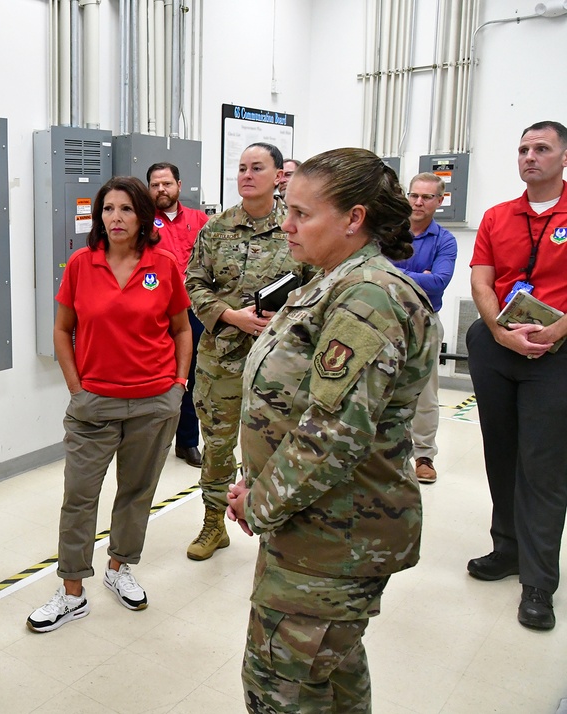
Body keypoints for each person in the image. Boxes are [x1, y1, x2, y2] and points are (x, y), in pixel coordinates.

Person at [227, 147, 436, 712]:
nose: (286, 225)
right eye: (284, 210)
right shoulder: (333, 282)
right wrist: (260, 487)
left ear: (354, 218)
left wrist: (260, 503)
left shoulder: (367, 297)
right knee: (333, 677)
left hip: (336, 538)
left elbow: (331, 437)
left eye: (301, 213)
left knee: (282, 689)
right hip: (314, 526)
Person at [26, 176, 191, 633]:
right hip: (94, 404)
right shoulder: (82, 263)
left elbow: (181, 329)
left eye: (126, 210)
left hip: (154, 402)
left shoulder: (164, 264)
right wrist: (76, 388)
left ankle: (119, 567)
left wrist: (178, 384)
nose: (115, 218)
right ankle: (72, 590)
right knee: (79, 497)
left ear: (143, 217)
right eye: (107, 209)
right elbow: (62, 329)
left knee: (136, 492)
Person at [184, 143, 315, 561]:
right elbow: (193, 282)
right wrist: (230, 315)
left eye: (257, 168)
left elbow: (317, 289)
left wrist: (283, 320)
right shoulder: (215, 228)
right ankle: (212, 524)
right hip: (221, 358)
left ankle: (275, 527)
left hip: (280, 362)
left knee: (275, 444)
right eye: (241, 168)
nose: (246, 175)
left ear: (279, 175)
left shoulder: (298, 229)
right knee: (218, 445)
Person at [466, 120, 567, 632]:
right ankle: (505, 549)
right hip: (498, 347)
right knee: (500, 451)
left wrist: (561, 328)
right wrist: (500, 332)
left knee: (543, 465)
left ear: (564, 157)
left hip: (558, 352)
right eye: (524, 148)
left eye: (542, 148)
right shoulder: (497, 216)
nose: (530, 156)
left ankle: (539, 581)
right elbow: (481, 279)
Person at [391, 172, 458, 484]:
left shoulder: (445, 240)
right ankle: (384, 454)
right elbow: (371, 268)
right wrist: (420, 275)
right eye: (414, 195)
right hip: (386, 318)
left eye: (427, 197)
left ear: (439, 201)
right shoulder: (390, 232)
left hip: (425, 322)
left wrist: (396, 273)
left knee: (426, 394)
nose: (419, 202)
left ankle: (424, 455)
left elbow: (440, 282)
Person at [147, 161, 210, 467]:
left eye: (167, 184)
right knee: (156, 375)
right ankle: (150, 444)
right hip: (155, 311)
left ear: (179, 186)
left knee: (190, 376)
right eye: (155, 185)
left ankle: (187, 442)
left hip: (193, 311)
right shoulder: (143, 222)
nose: (161, 189)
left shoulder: (201, 220)